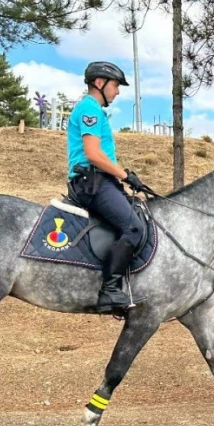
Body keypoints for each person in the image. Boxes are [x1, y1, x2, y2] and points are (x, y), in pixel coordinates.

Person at [67, 61, 153, 315]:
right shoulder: (89, 109)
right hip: (92, 183)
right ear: (99, 83)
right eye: (115, 85)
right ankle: (109, 290)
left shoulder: (95, 111)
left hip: (101, 181)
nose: (117, 92)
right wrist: (126, 175)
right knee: (134, 227)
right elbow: (93, 154)